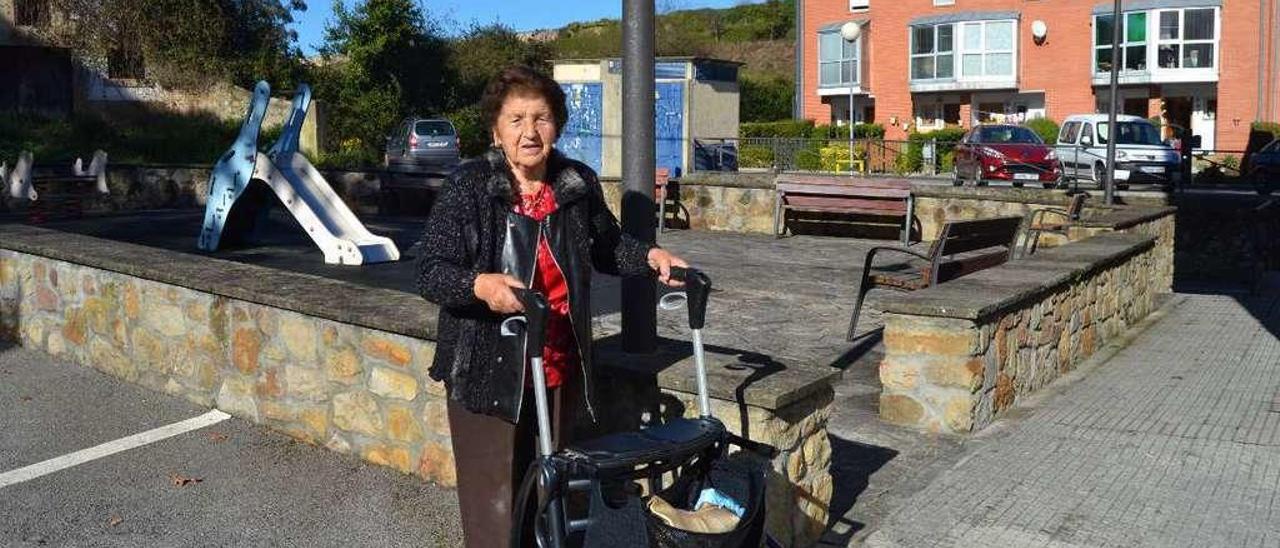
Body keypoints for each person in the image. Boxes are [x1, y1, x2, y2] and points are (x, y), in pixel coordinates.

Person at [415, 65, 688, 547]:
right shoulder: (469, 186)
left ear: (556, 125)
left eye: (541, 118)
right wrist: (481, 286)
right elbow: (430, 270)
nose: (529, 131)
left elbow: (606, 246)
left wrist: (649, 255)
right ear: (495, 130)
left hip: (558, 364)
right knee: (494, 502)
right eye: (516, 119)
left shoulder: (575, 184)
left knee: (551, 491)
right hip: (486, 370)